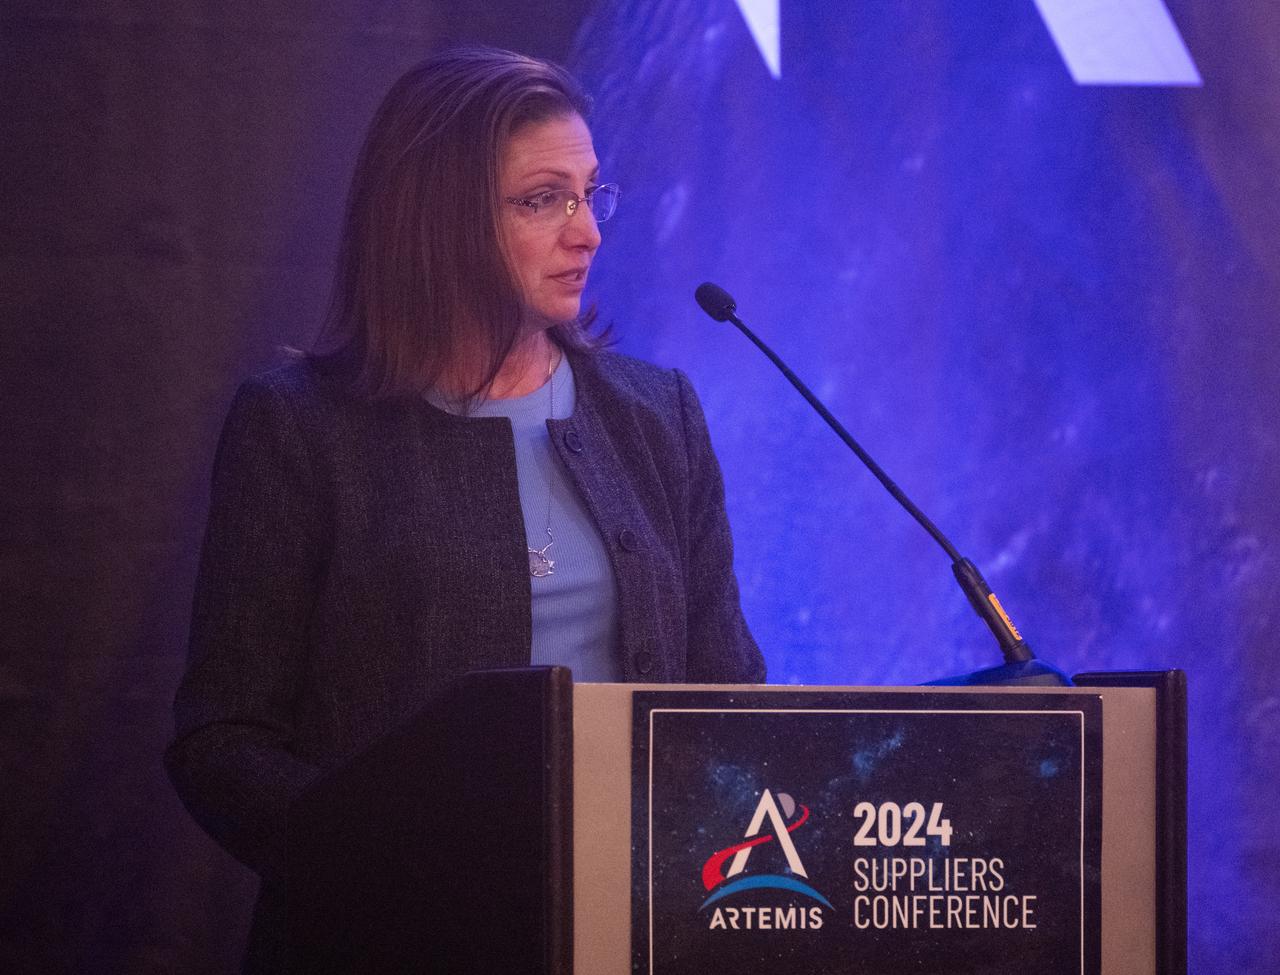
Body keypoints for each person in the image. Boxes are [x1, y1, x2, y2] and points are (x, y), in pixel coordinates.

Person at [165, 46, 764, 971]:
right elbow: (222, 739)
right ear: (437, 220)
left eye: (591, 193)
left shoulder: (659, 414)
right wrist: (380, 864)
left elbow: (730, 698)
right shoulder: (298, 429)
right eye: (542, 200)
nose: (588, 233)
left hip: (633, 933)